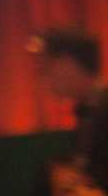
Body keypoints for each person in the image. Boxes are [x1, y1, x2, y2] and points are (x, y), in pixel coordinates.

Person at [28, 24, 108, 194]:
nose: (40, 79)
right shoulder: (87, 110)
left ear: (66, 64)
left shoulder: (100, 109)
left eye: (44, 68)